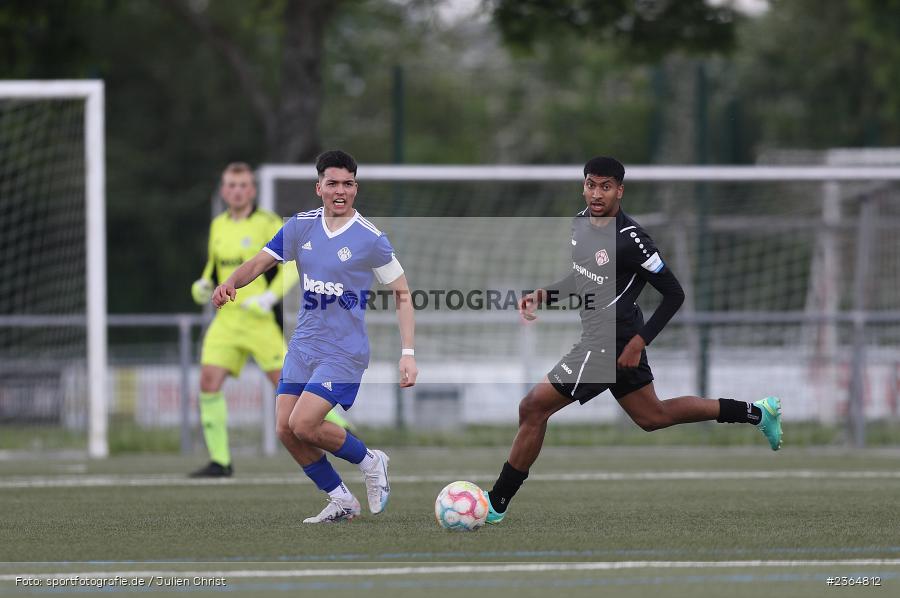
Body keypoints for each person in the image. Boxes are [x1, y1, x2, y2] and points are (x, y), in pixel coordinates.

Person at [482, 156, 782, 524]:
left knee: (533, 407)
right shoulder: (580, 224)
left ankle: (496, 503)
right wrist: (545, 294)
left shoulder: (633, 240)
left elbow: (674, 294)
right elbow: (585, 277)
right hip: (610, 341)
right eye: (591, 184)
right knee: (653, 416)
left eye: (606, 187)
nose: (597, 193)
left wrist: (640, 341)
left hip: (610, 342)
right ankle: (756, 411)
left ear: (620, 191)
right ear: (584, 186)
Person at [212, 150, 417, 523]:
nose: (341, 190)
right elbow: (260, 263)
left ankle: (371, 462)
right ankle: (341, 499)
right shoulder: (300, 226)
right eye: (333, 183)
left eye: (348, 184)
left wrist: (407, 352)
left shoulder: (370, 238)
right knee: (285, 430)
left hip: (344, 351)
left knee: (303, 424)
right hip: (304, 345)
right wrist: (230, 282)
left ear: (356, 188)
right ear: (318, 186)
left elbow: (403, 293)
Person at [189, 162, 351, 478]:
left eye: (243, 185)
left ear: (252, 190)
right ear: (223, 191)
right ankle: (220, 461)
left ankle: (345, 433)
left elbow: (290, 266)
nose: (236, 191)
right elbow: (215, 268)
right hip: (225, 321)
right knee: (208, 382)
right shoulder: (219, 224)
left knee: (289, 388)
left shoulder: (267, 222)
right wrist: (205, 284)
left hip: (259, 322)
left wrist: (268, 298)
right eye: (231, 185)